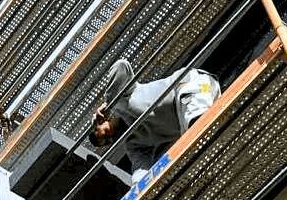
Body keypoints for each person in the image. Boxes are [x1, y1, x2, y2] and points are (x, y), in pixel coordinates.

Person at [91, 57, 220, 174]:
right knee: (195, 138)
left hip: (195, 86)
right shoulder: (134, 143)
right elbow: (140, 170)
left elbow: (121, 65)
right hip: (206, 102)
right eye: (108, 141)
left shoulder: (121, 99)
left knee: (197, 127)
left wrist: (109, 103)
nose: (111, 139)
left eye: (107, 133)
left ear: (104, 119)